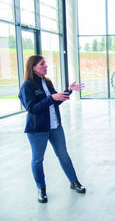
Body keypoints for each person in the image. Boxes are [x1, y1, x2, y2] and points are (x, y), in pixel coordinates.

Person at [18, 55, 86, 204]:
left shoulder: (46, 82)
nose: (46, 66)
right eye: (42, 64)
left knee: (63, 155)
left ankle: (74, 182)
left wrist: (68, 91)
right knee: (38, 160)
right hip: (38, 130)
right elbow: (32, 108)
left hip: (55, 127)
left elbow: (56, 101)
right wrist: (51, 99)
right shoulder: (27, 86)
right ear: (33, 67)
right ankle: (41, 189)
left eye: (45, 63)